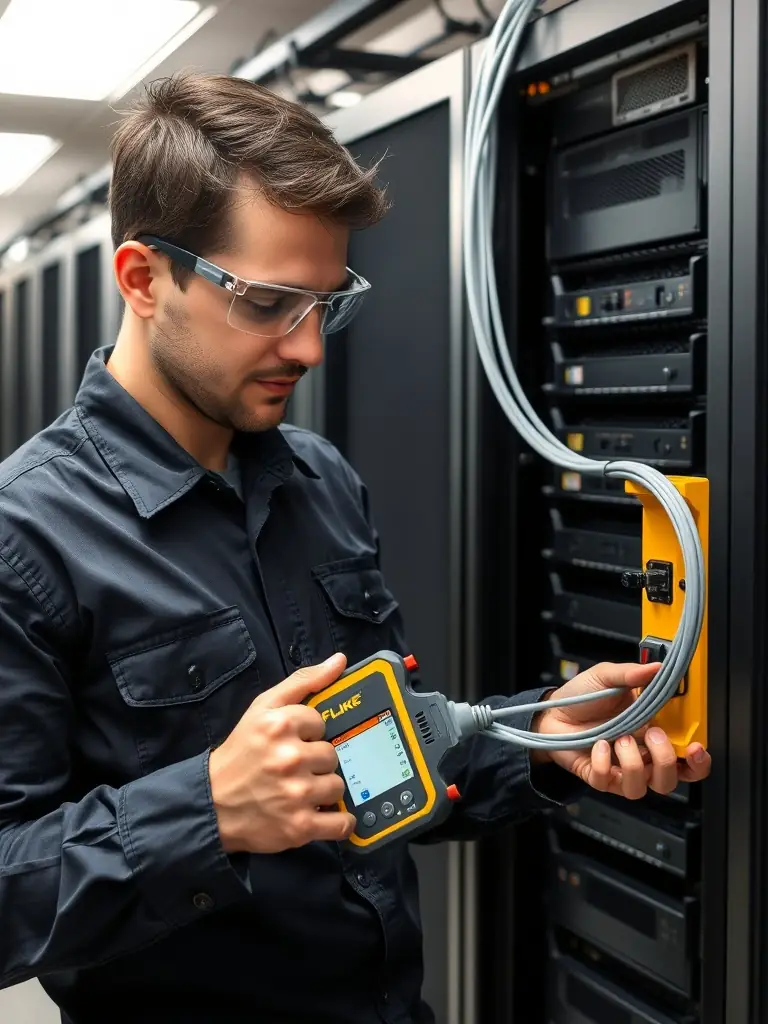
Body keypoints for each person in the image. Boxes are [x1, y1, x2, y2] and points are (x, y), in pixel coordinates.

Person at [0, 72, 710, 1024]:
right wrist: (207, 811)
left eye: (326, 303)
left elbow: (386, 766)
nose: (310, 349)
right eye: (268, 303)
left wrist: (544, 735)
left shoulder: (320, 481)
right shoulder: (27, 536)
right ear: (142, 278)